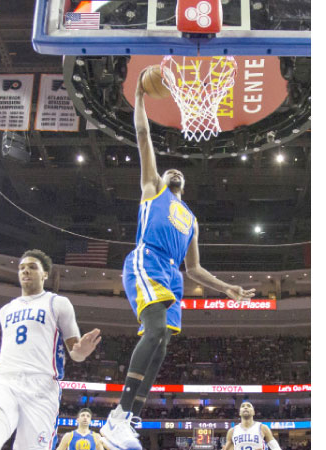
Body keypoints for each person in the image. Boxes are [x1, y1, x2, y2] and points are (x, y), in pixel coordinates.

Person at [99, 72, 257, 450]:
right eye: (169, 169)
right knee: (153, 331)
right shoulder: (152, 188)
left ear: (183, 184)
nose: (172, 171)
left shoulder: (191, 218)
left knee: (162, 344)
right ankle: (117, 415)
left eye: (178, 172)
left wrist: (227, 288)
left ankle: (131, 420)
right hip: (147, 260)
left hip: (173, 274)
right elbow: (143, 137)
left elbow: (195, 268)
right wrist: (139, 97)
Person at [0, 249, 102, 450]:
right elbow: (7, 353)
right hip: (5, 382)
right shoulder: (6, 310)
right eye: (21, 268)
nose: (25, 271)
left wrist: (81, 352)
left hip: (41, 387)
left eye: (32, 267)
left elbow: (74, 350)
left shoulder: (57, 303)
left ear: (45, 274)